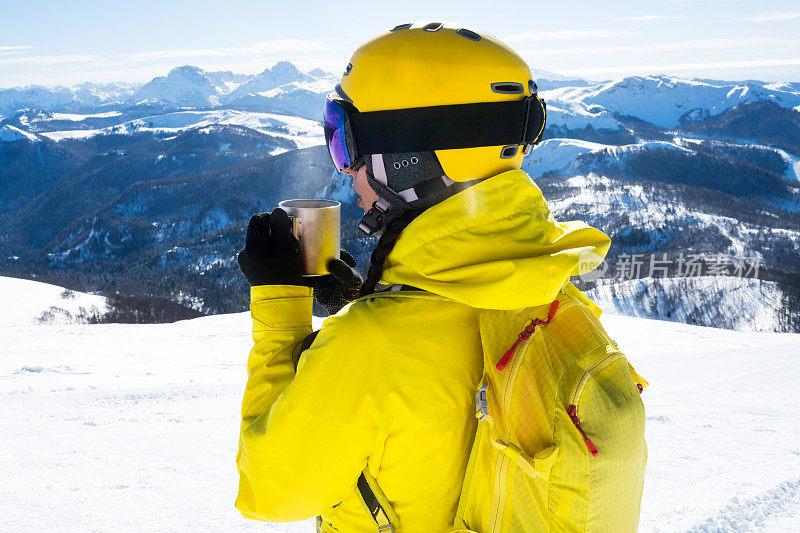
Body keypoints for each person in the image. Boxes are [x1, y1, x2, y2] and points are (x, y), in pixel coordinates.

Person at [234, 22, 612, 532]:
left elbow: (270, 492)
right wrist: (372, 299)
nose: (345, 169)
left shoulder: (370, 348)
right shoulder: (544, 285)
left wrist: (281, 308)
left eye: (345, 142)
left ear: (408, 160)